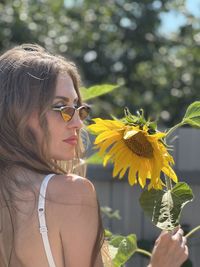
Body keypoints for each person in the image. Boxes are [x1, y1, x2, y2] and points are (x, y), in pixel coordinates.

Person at [0, 44, 188, 267]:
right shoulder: (70, 192)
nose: (79, 123)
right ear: (17, 112)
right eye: (61, 108)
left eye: (79, 108)